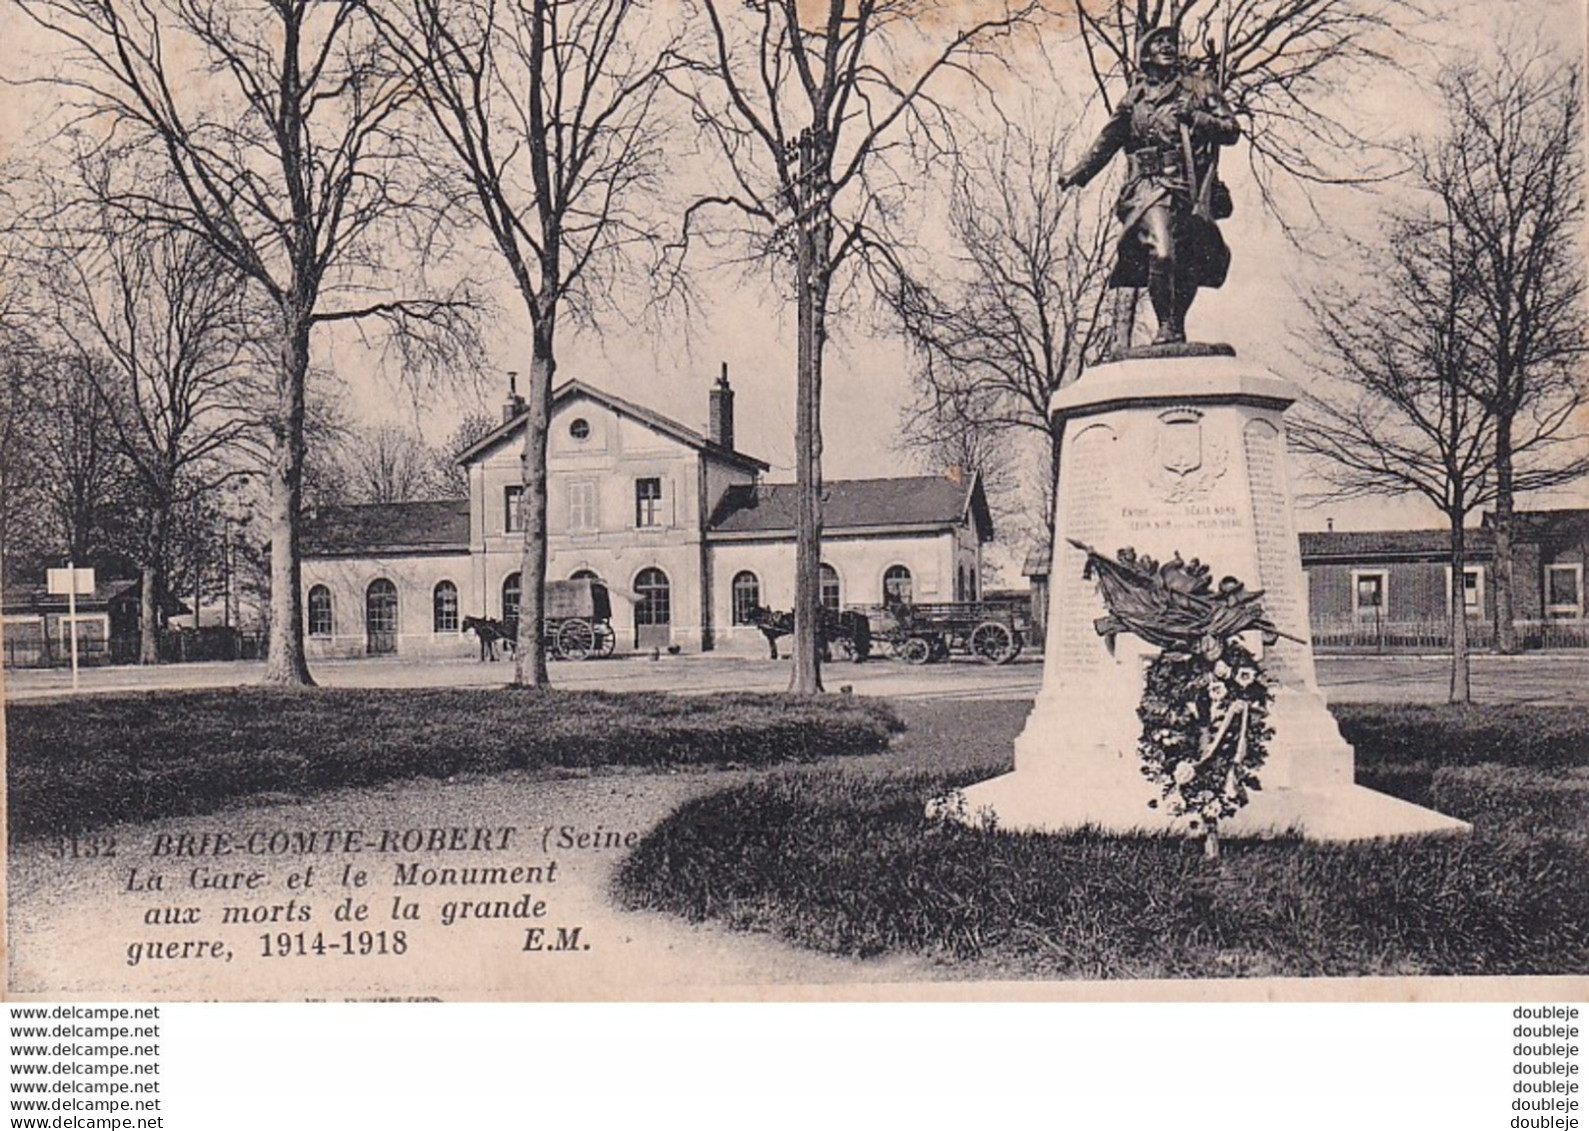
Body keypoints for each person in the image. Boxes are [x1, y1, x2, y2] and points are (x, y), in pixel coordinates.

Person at [1059, 26, 1240, 346]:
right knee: (1162, 250)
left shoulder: (1198, 87)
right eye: (1159, 42)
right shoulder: (1134, 98)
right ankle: (1167, 324)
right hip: (1147, 187)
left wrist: (1197, 117)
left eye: (1171, 42)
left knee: (1188, 261)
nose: (1168, 46)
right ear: (1145, 55)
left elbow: (1230, 130)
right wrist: (1078, 172)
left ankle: (1174, 326)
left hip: (1186, 187)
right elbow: (1108, 140)